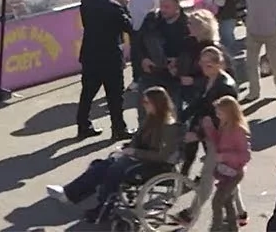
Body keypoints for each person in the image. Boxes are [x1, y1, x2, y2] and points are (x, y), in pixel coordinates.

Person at [47, 87, 179, 223]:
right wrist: (127, 148)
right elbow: (138, 139)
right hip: (140, 159)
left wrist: (134, 152)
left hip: (154, 165)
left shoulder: (169, 126)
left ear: (157, 103)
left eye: (147, 102)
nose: (144, 105)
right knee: (101, 165)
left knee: (112, 170)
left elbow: (162, 156)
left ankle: (86, 201)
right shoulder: (151, 118)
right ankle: (75, 195)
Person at [174, 46, 240, 227]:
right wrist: (180, 118)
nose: (204, 67)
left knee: (207, 176)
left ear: (220, 64)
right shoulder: (209, 80)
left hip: (220, 137)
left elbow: (222, 119)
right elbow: (200, 104)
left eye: (209, 64)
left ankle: (190, 214)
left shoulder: (225, 87)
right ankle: (241, 212)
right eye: (202, 64)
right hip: (210, 133)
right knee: (228, 174)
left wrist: (197, 134)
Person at [76, 0, 133, 140]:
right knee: (115, 95)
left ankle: (83, 125)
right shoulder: (115, 7)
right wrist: (124, 6)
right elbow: (129, 27)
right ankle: (118, 128)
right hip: (110, 58)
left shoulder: (86, 2)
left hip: (90, 55)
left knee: (87, 93)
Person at [134, 0, 190, 111]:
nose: (163, 10)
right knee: (146, 110)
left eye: (167, 7)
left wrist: (178, 61)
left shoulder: (187, 25)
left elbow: (192, 50)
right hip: (151, 73)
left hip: (174, 76)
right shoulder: (152, 20)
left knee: (174, 112)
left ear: (177, 8)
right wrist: (144, 59)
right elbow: (138, 42)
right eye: (161, 6)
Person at [203, 96, 252, 232]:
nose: (217, 115)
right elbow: (218, 141)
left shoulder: (238, 130)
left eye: (220, 112)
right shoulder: (225, 125)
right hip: (225, 170)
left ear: (229, 112)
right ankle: (232, 228)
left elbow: (245, 155)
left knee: (217, 201)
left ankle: (216, 228)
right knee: (227, 201)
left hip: (234, 172)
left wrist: (224, 156)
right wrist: (209, 128)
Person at [124, 0, 165, 83]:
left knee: (147, 51)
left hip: (149, 23)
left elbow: (161, 3)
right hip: (133, 22)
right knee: (135, 52)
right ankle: (136, 78)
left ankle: (150, 77)